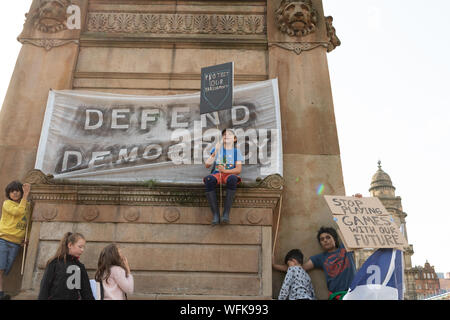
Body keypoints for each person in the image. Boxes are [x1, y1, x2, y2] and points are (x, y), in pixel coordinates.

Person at [273, 226, 356, 300]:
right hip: (336, 296)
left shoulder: (345, 248)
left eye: (328, 237)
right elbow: (297, 268)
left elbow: (352, 232)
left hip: (353, 293)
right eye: (322, 239)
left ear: (334, 239)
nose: (325, 240)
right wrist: (274, 265)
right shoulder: (320, 258)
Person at [204, 128, 244, 225]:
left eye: (229, 134)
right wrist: (215, 151)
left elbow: (238, 170)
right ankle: (216, 214)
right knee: (209, 179)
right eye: (224, 134)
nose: (226, 136)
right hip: (217, 174)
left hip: (229, 174)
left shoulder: (236, 151)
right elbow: (207, 165)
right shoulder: (218, 149)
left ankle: (226, 213)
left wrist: (225, 170)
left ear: (234, 139)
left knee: (233, 179)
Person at [38, 232, 94, 300]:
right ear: (70, 245)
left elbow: (86, 292)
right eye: (80, 247)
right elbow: (44, 288)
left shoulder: (80, 266)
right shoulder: (54, 263)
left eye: (83, 247)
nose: (82, 250)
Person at [0, 181, 32, 300]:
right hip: (3, 239)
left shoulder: (27, 205)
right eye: (11, 191)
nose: (14, 193)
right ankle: (1, 293)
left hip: (16, 242)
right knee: (1, 267)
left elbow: (28, 222)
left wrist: (27, 236)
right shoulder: (7, 203)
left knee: (7, 268)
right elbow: (18, 212)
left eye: (17, 190)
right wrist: (25, 196)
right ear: (8, 193)